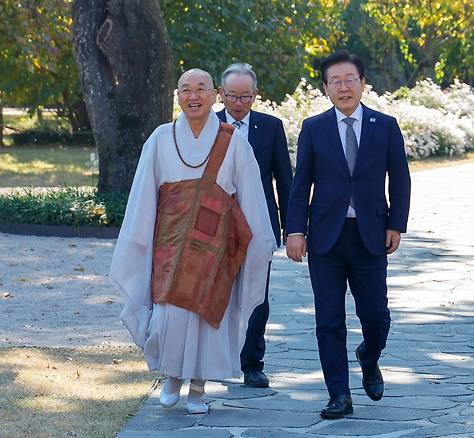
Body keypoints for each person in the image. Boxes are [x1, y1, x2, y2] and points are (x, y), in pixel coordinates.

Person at [109, 68, 276, 415]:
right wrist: (141, 237)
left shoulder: (233, 141)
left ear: (214, 95)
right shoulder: (159, 137)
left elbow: (251, 197)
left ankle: (198, 388)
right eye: (186, 89)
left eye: (201, 88)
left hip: (214, 248)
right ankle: (172, 377)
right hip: (170, 244)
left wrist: (258, 242)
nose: (193, 96)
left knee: (207, 315)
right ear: (178, 96)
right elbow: (143, 194)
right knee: (169, 314)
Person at [285, 50, 411, 419]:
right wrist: (295, 230)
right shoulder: (314, 127)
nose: (343, 87)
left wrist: (396, 224)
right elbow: (300, 183)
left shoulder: (384, 125)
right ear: (325, 88)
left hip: (371, 234)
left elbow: (400, 179)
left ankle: (369, 357)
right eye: (335, 81)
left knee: (376, 316)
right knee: (329, 319)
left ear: (362, 83)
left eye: (349, 79)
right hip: (325, 237)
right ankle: (339, 394)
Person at [216, 63, 293, 388]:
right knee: (212, 294)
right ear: (221, 94)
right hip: (214, 225)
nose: (238, 103)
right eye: (232, 96)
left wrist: (292, 228)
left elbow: (284, 180)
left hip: (259, 225)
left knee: (257, 295)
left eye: (245, 96)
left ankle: (252, 363)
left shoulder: (270, 126)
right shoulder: (207, 124)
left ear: (255, 95)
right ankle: (212, 360)